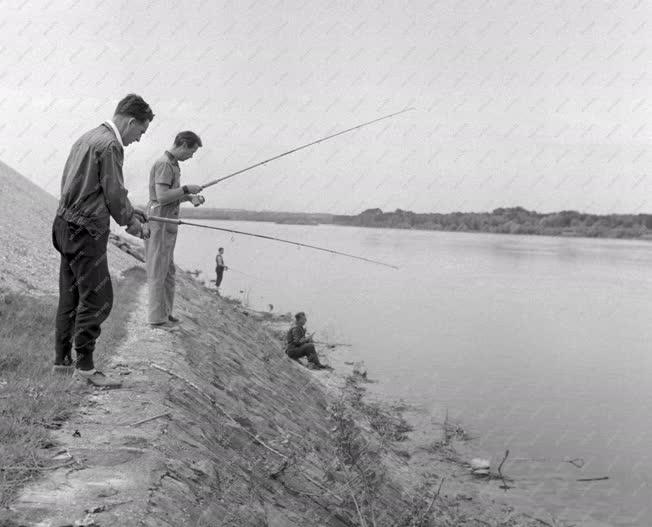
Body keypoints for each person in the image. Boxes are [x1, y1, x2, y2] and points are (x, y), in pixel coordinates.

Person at [52, 94, 154, 387]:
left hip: (63, 225)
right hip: (86, 232)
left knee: (70, 297)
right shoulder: (111, 145)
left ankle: (61, 364)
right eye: (141, 132)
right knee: (99, 299)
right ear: (131, 121)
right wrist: (132, 223)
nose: (138, 139)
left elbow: (89, 187)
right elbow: (112, 192)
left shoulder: (88, 137)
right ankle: (85, 367)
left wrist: (129, 209)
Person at [145, 131, 205, 327]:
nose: (191, 156)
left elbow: (171, 194)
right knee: (158, 270)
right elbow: (162, 196)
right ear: (183, 145)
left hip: (167, 222)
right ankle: (156, 318)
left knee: (168, 270)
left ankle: (166, 312)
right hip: (159, 220)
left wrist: (188, 198)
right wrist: (187, 189)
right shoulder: (164, 164)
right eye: (192, 152)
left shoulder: (173, 164)